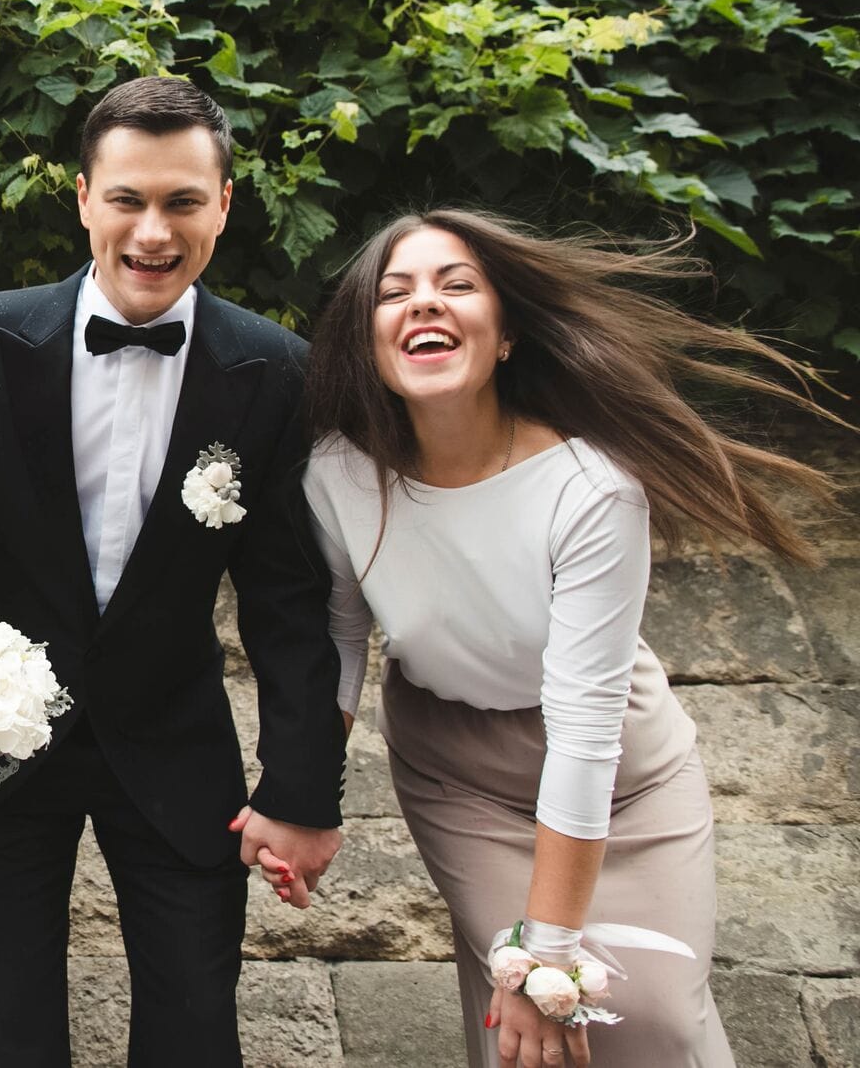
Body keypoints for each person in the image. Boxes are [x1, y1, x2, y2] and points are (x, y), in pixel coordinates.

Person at [302, 209, 841, 1068]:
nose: (424, 304)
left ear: (507, 332)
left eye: (457, 285)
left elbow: (586, 731)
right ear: (365, 339)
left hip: (623, 776)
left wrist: (551, 950)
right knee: (536, 1033)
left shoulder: (592, 489)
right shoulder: (336, 473)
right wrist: (304, 793)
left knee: (651, 1013)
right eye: (394, 292)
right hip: (459, 775)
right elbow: (340, 637)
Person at [0, 76, 350, 1066]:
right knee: (6, 1016)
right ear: (81, 199)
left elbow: (286, 602)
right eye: (127, 199)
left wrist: (303, 787)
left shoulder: (273, 370)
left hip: (176, 742)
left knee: (195, 1016)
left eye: (181, 201)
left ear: (223, 205)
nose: (152, 230)